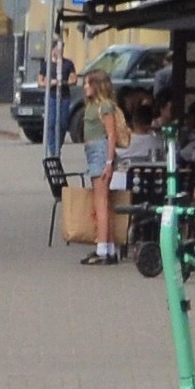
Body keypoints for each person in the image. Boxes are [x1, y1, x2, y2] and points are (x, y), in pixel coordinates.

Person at [79, 68, 129, 266]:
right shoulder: (92, 105)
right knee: (102, 201)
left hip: (100, 152)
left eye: (88, 84)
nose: (85, 87)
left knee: (101, 202)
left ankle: (103, 249)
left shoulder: (105, 106)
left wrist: (109, 162)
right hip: (93, 152)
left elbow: (111, 135)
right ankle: (106, 246)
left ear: (98, 86)